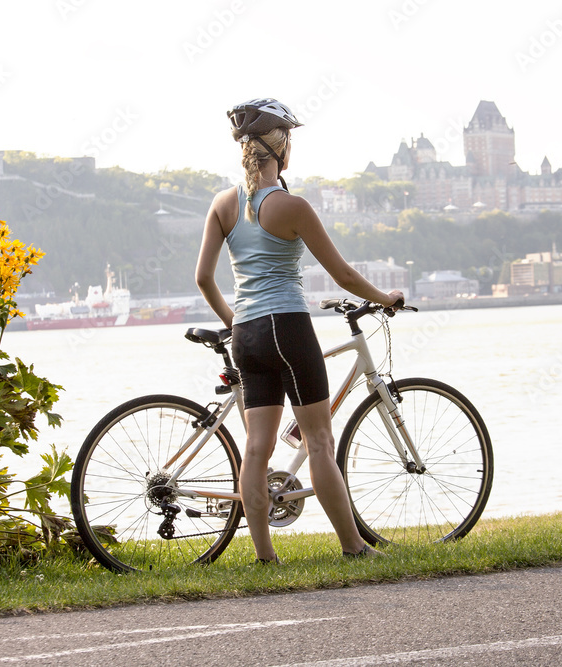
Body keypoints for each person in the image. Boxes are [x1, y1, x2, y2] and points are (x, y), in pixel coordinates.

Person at [195, 98, 402, 563]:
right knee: (320, 441)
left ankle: (265, 557)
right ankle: (353, 548)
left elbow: (204, 279)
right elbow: (344, 276)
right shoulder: (292, 206)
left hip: (247, 332)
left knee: (256, 448)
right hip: (287, 327)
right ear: (282, 148)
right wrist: (385, 299)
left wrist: (238, 324)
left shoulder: (222, 205)